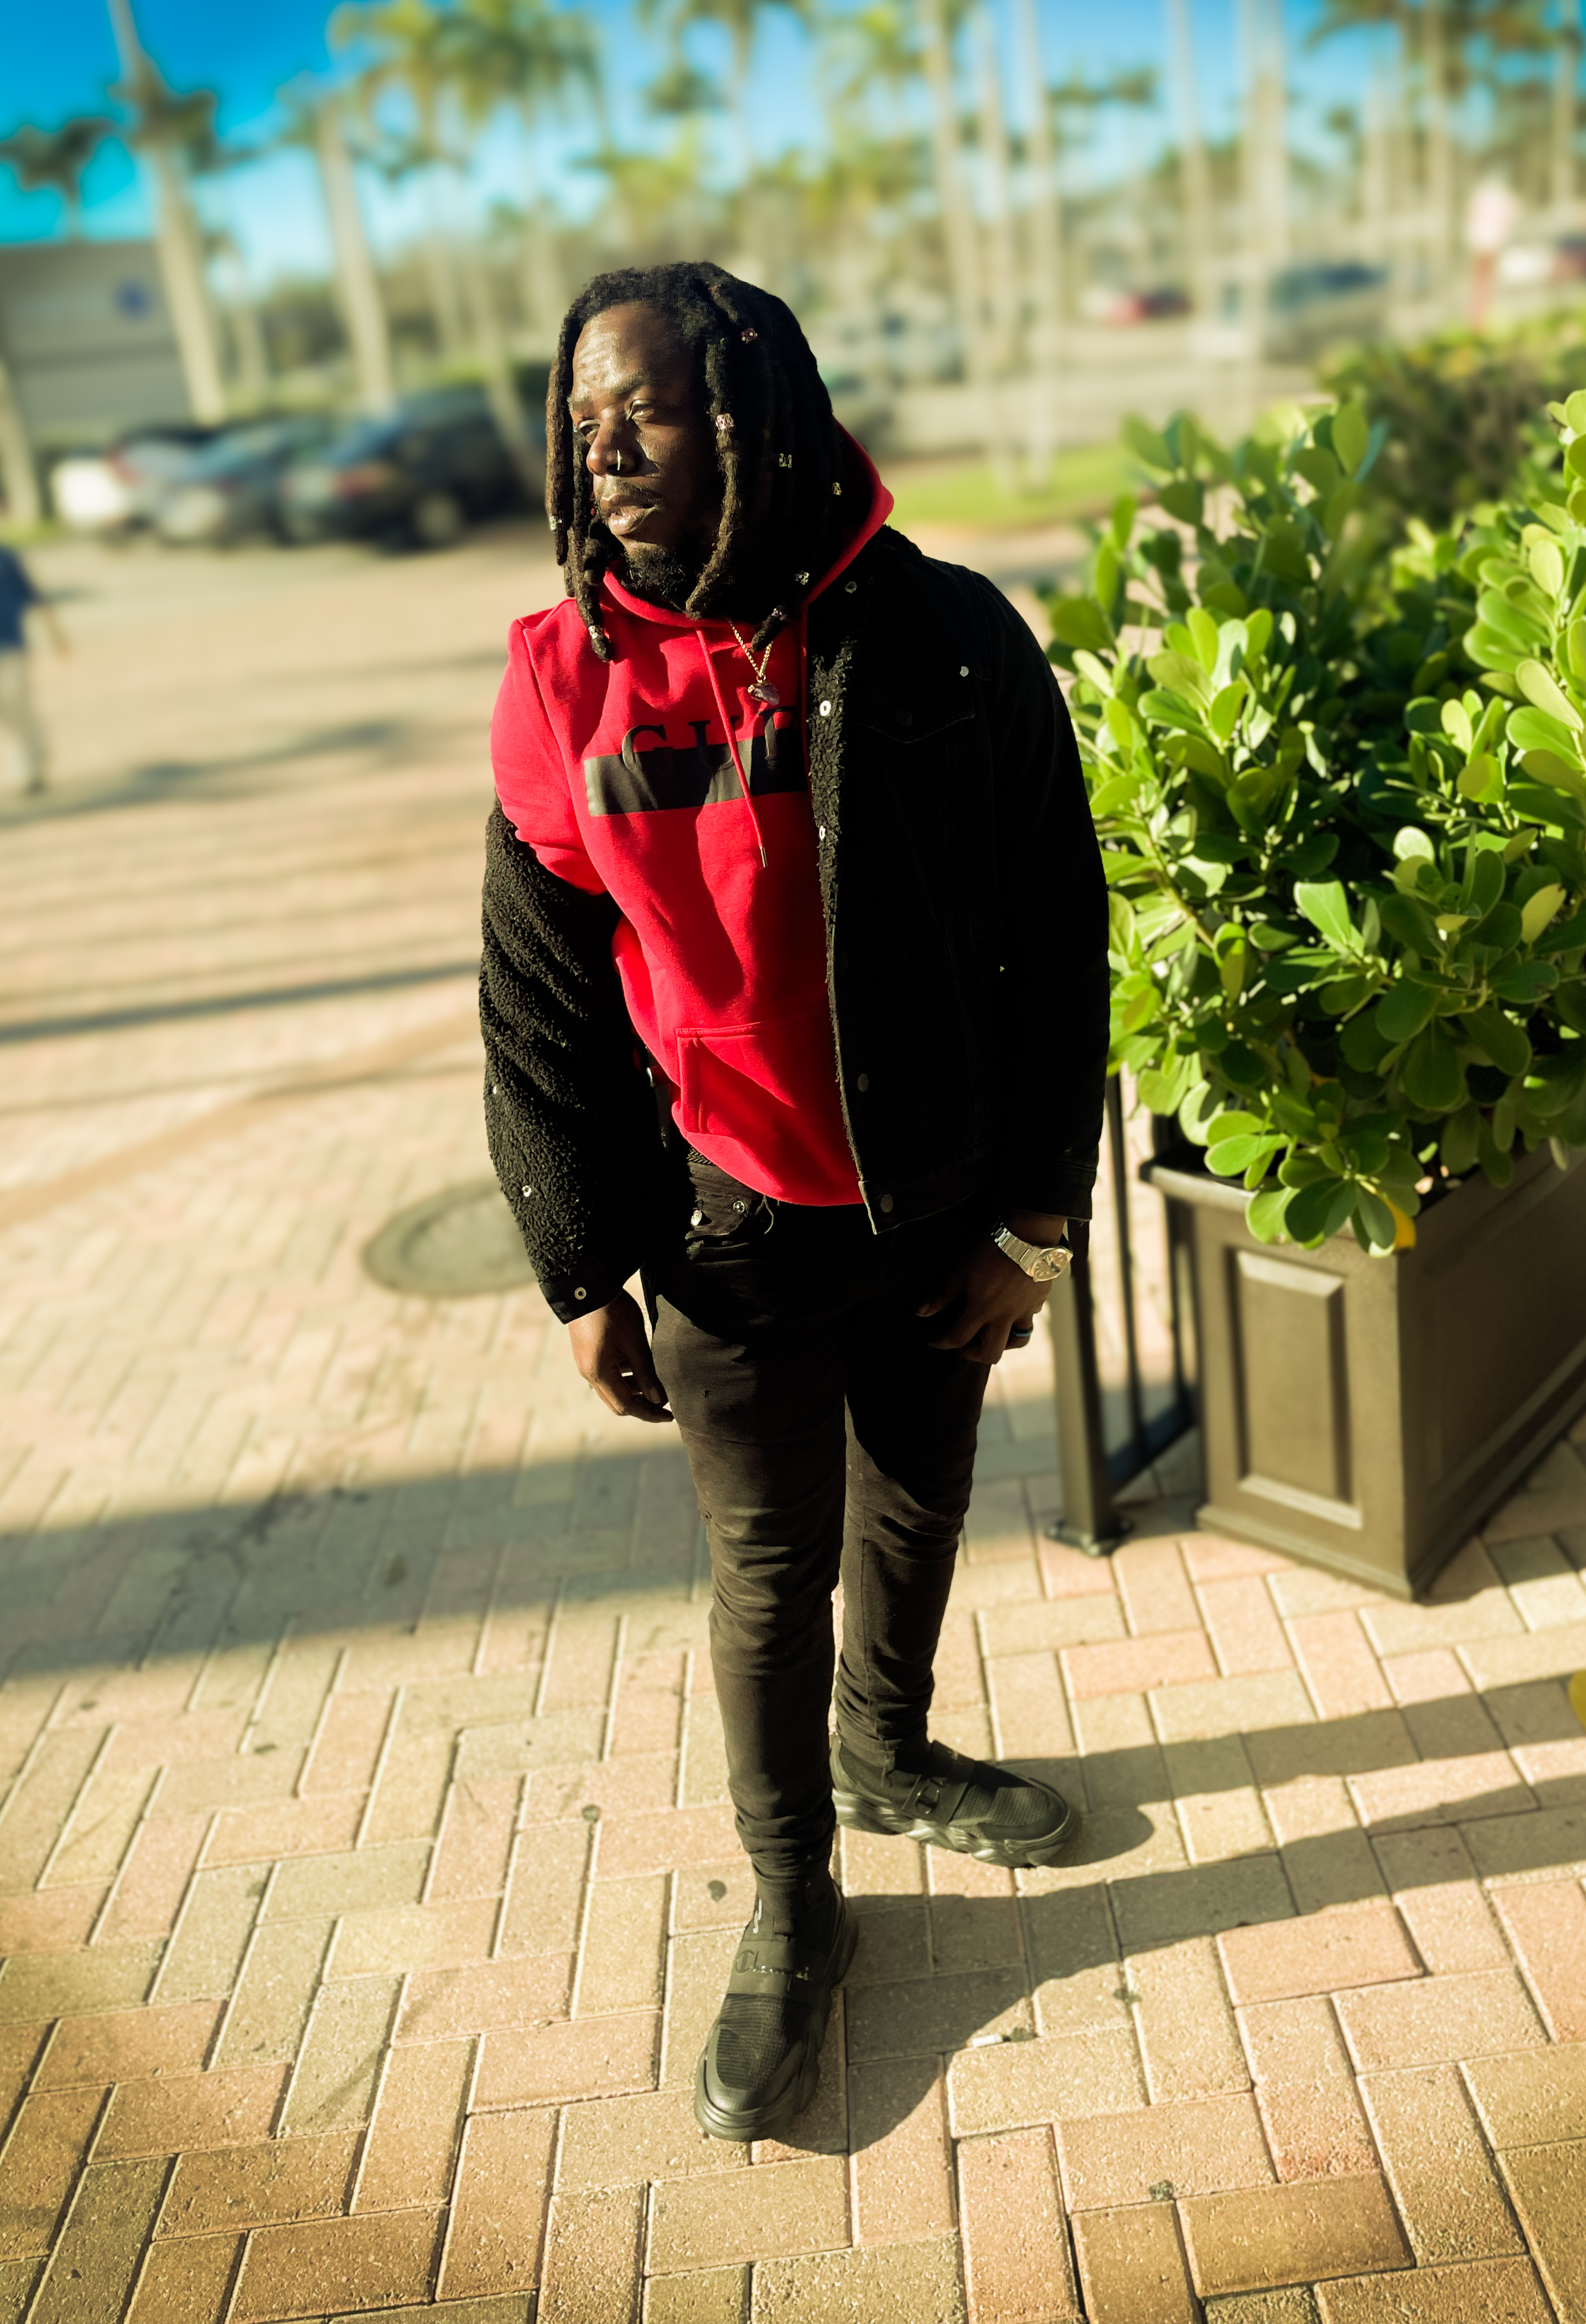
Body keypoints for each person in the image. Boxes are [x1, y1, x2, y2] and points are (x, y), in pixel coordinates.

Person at [480, 262, 1109, 2143]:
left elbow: (1057, 932)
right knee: (771, 1571)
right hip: (726, 1230)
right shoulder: (561, 682)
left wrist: (1035, 1226)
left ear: (752, 413)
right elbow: (540, 994)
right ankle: (796, 1900)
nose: (605, 460)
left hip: (939, 1206)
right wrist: (579, 1262)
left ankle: (890, 1754)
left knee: (920, 1501)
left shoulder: (946, 636)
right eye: (583, 427)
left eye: (646, 415)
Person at [0, 537, 64, 794]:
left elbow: (33, 594)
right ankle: (32, 754)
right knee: (1, 711)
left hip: (9, 643)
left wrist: (57, 634)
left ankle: (29, 771)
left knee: (17, 704)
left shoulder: (3, 557)